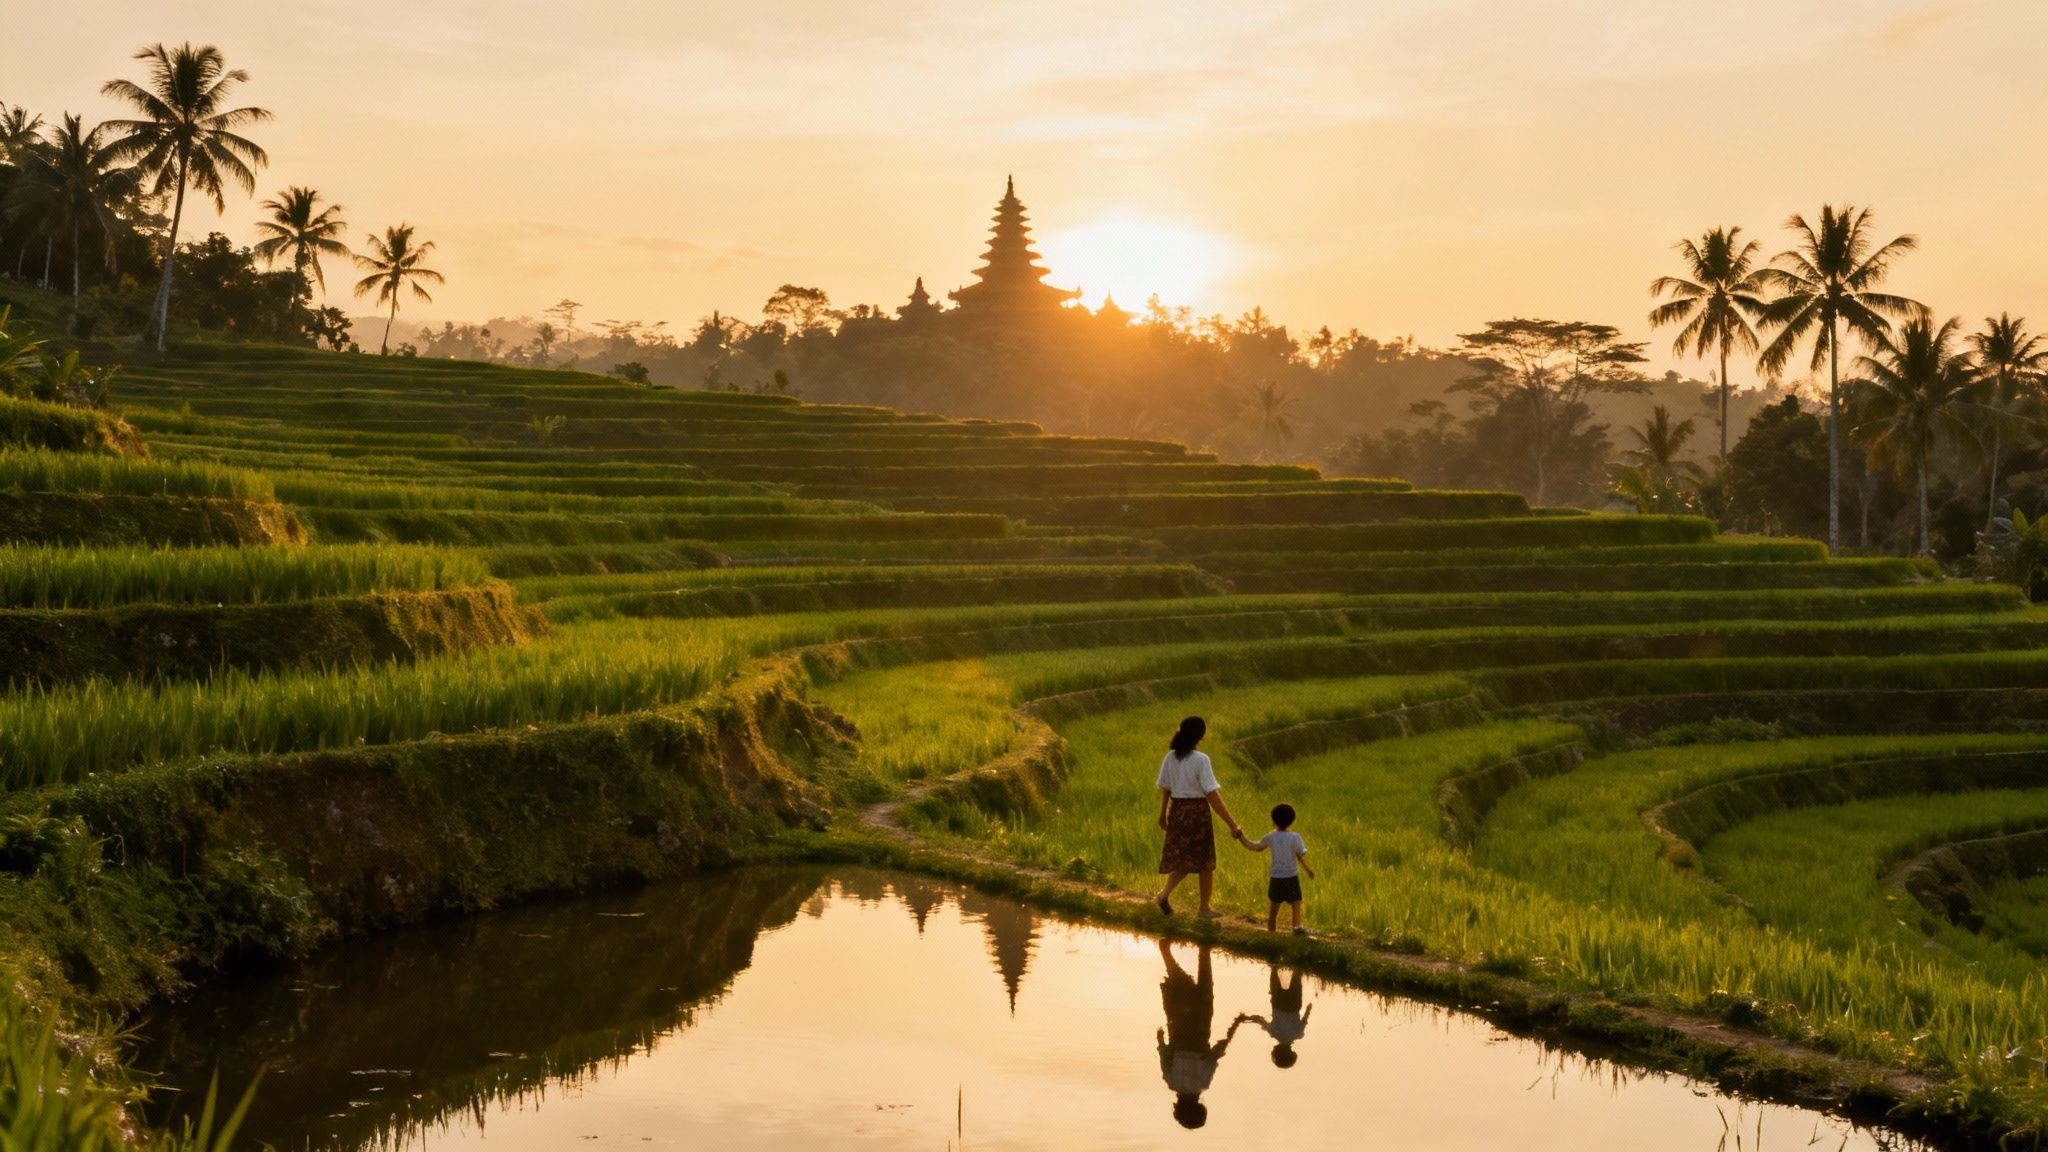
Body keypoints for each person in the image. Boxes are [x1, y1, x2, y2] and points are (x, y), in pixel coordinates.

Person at [1153, 716, 1244, 919]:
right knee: (1204, 863)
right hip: (1197, 814)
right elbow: (1212, 795)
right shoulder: (1201, 760)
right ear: (1200, 736)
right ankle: (1203, 908)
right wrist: (1232, 824)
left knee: (1184, 861)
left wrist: (1163, 814)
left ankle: (1163, 895)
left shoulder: (1170, 757)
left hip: (1177, 812)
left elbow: (1165, 788)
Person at [1156, 940, 1244, 1129]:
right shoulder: (1172, 1082)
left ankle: (1203, 948)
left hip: (1201, 1021)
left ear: (1200, 1108)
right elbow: (1164, 1054)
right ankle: (1166, 949)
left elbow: (1216, 1053)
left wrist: (1235, 1025)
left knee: (1205, 979)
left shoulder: (1203, 1083)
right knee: (1178, 980)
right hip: (1179, 1023)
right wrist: (1160, 1037)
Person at [1233, 802, 1314, 933]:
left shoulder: (1271, 836)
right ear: (1292, 820)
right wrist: (1308, 869)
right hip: (1292, 876)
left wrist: (1241, 837)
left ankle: (1271, 933)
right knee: (1296, 902)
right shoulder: (1295, 837)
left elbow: (1254, 846)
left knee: (1274, 909)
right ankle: (1296, 928)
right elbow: (1300, 854)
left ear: (1273, 820)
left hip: (1276, 877)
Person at [1236, 964, 1314, 1069]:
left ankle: (1296, 965)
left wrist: (1309, 1007)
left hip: (1294, 1005)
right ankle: (1274, 967)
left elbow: (1305, 1018)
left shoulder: (1297, 1034)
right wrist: (1247, 1018)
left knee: (1296, 982)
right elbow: (1261, 1020)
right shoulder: (1274, 1033)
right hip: (1278, 1004)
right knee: (1274, 984)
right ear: (1276, 1052)